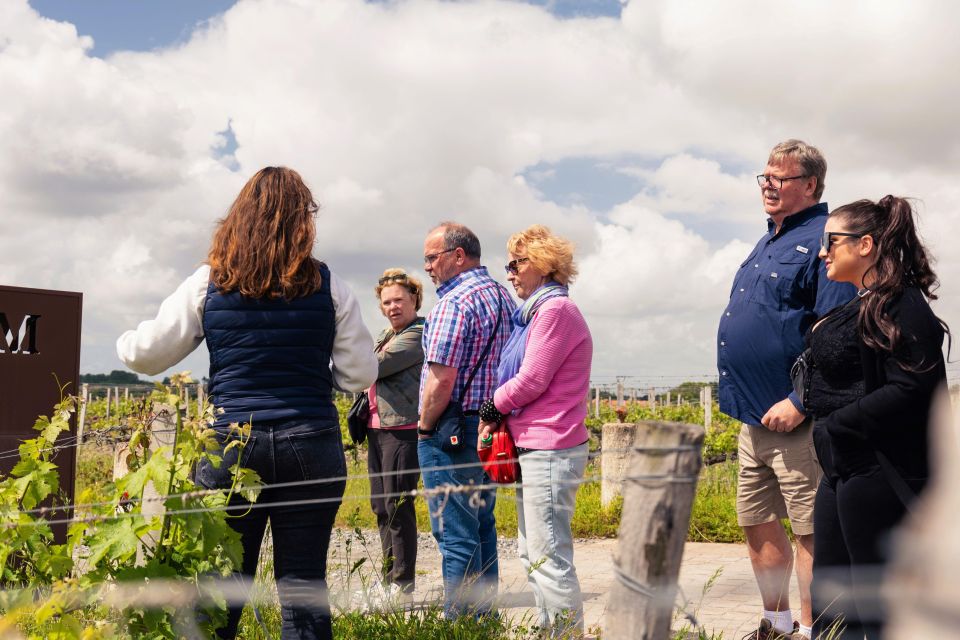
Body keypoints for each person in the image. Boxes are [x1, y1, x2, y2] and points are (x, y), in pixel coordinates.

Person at [116, 167, 377, 640]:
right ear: (303, 221)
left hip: (231, 443)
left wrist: (122, 342)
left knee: (222, 585)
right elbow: (359, 374)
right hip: (310, 442)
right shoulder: (329, 284)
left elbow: (145, 355)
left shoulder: (210, 281)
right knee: (303, 586)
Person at [716, 140, 856, 640]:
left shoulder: (825, 237)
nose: (768, 185)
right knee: (756, 521)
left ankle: (816, 628)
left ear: (811, 185)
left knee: (810, 530)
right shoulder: (765, 242)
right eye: (764, 177)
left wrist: (800, 402)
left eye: (781, 177)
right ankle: (776, 625)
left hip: (797, 419)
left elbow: (835, 331)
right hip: (752, 417)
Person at [806, 197, 947, 639]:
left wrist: (838, 424)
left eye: (833, 241)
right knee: (831, 597)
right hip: (842, 469)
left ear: (865, 245)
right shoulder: (865, 302)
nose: (823, 252)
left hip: (876, 472)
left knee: (872, 603)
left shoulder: (901, 304)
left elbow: (912, 389)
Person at [478, 225, 592, 637]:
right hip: (536, 446)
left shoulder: (555, 312)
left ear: (543, 265)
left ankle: (565, 633)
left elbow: (532, 379)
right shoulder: (535, 315)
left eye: (516, 263)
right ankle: (550, 630)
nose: (509, 273)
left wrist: (490, 407)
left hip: (551, 446)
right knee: (532, 553)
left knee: (549, 556)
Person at [416, 222, 515, 616]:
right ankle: (484, 615)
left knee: (453, 530)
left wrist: (424, 427)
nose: (426, 266)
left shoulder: (455, 302)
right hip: (491, 427)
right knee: (481, 522)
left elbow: (442, 380)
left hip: (451, 429)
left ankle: (457, 622)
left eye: (431, 257)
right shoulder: (504, 298)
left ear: (458, 256)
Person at [365, 268, 425, 602]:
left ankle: (403, 586)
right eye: (386, 302)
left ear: (414, 299)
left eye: (399, 300)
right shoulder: (387, 334)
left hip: (401, 429)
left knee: (398, 506)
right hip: (377, 427)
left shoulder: (416, 334)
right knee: (380, 506)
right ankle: (389, 581)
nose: (392, 307)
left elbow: (374, 366)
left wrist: (360, 360)